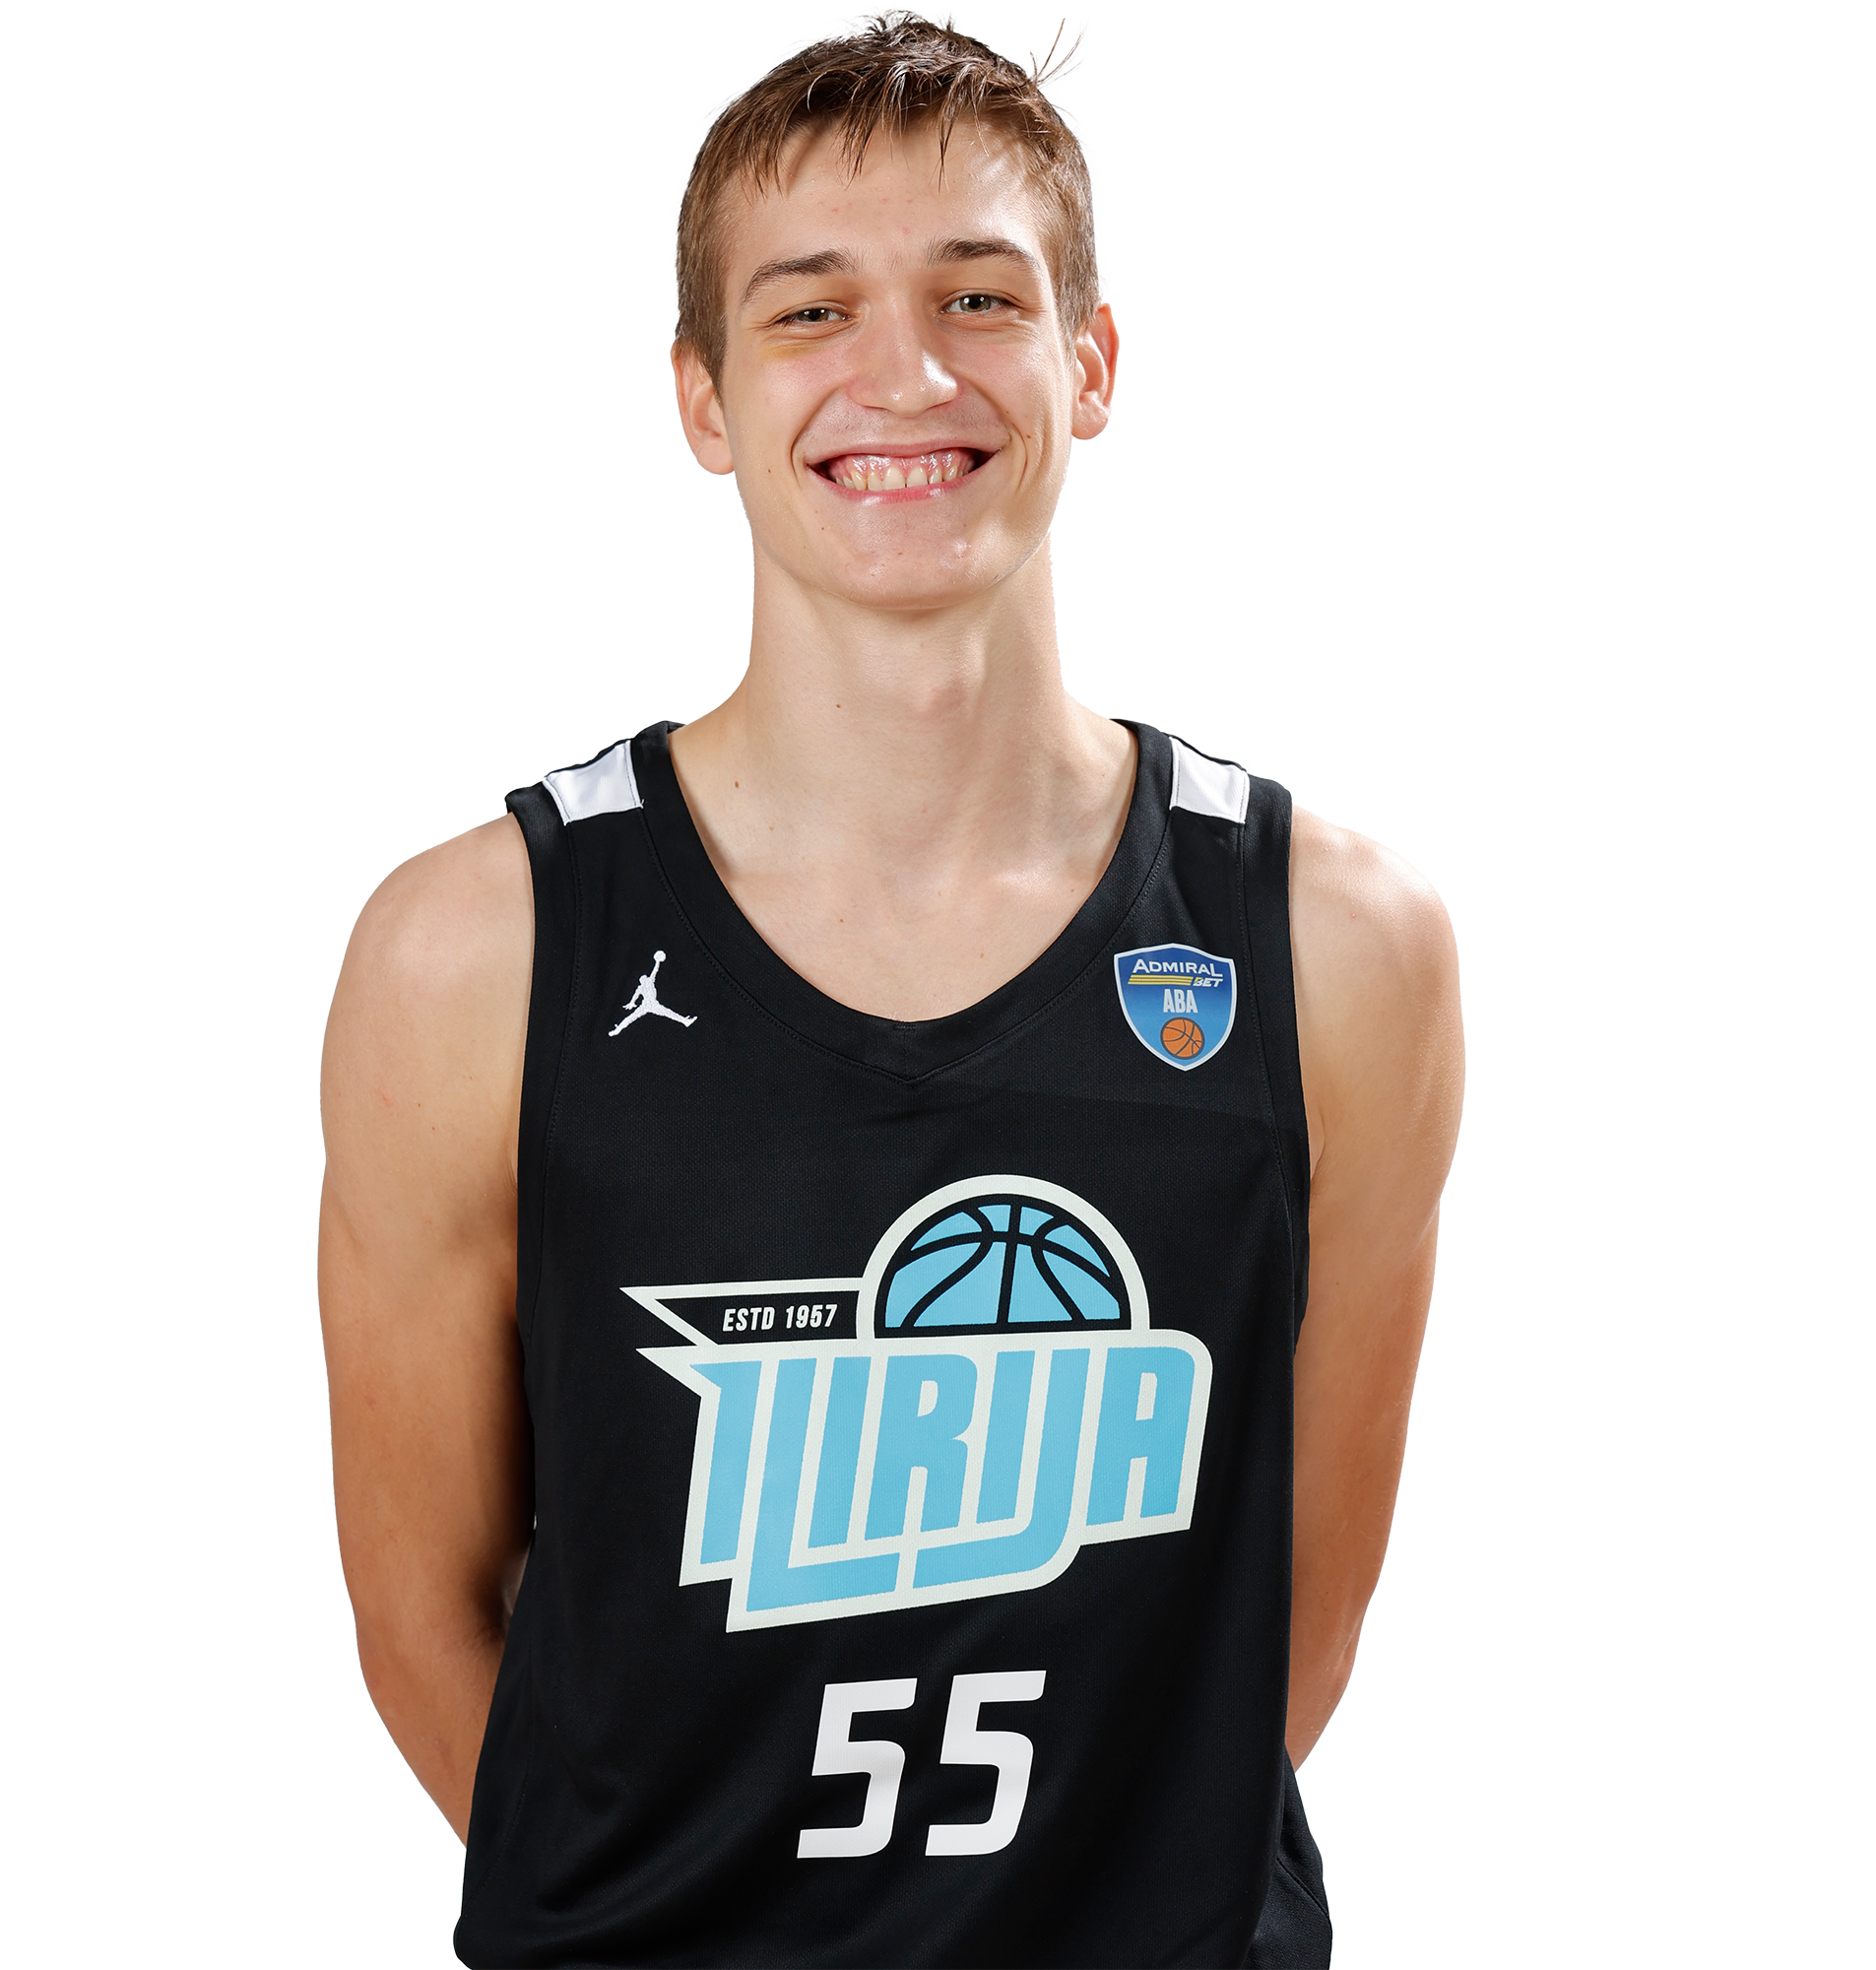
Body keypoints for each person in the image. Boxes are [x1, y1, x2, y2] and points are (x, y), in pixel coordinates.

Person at [319, 13, 1463, 1967]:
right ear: (702, 400)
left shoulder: (1337, 945)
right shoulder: (475, 952)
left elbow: (1303, 1616)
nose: (905, 372)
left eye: (978, 296)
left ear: (1093, 363)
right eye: (809, 310)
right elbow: (424, 1623)